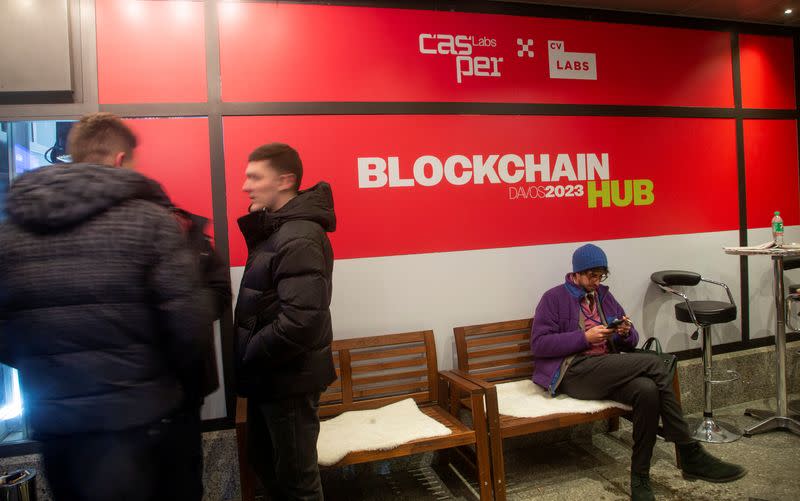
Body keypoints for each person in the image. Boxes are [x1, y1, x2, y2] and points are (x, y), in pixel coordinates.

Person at [0, 113, 213, 501]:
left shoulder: (12, 230)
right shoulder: (150, 222)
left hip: (58, 427)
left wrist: (49, 369)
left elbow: (7, 337)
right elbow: (188, 325)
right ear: (119, 160)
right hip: (142, 421)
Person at [531, 243, 746, 501]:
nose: (596, 282)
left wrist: (625, 332)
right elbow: (540, 344)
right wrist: (584, 338)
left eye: (601, 276)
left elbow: (631, 341)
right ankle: (689, 450)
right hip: (573, 372)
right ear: (576, 273)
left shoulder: (604, 297)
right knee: (657, 364)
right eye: (591, 276)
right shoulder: (554, 298)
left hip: (606, 369)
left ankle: (640, 476)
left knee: (647, 391)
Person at [234, 143, 336, 501]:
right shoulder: (278, 232)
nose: (246, 186)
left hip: (289, 379)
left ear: (285, 180)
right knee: (267, 467)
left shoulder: (300, 235)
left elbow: (301, 321)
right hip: (272, 376)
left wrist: (249, 351)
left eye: (254, 177)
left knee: (297, 483)